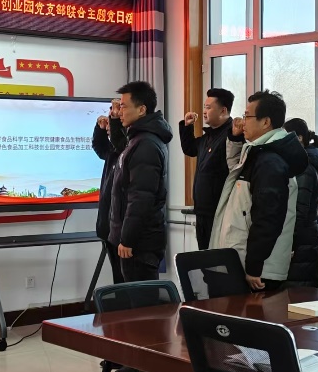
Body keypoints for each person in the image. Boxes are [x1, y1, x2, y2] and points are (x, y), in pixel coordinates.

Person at [210, 91, 309, 291]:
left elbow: (267, 218)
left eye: (247, 116)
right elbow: (233, 170)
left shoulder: (270, 161)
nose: (242, 122)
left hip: (257, 270)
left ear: (265, 122)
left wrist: (254, 266)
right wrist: (235, 139)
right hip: (244, 261)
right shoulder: (259, 152)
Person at [109, 81, 171, 282]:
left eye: (124, 106)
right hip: (137, 241)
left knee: (141, 300)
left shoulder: (146, 145)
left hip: (140, 244)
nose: (120, 112)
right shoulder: (139, 139)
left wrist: (127, 239)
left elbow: (140, 197)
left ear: (142, 109)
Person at [178, 88, 237, 250]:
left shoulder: (232, 137)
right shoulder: (209, 136)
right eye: (204, 107)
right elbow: (190, 149)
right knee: (204, 257)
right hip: (202, 212)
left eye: (209, 107)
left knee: (216, 258)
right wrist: (187, 126)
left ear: (223, 110)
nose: (204, 111)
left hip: (220, 212)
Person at [282, 118, 318, 286]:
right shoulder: (303, 164)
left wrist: (287, 243)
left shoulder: (304, 168)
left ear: (299, 138)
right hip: (305, 241)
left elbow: (299, 211)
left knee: (298, 292)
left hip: (300, 244)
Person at [92, 98, 127, 284]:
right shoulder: (114, 151)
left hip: (124, 230)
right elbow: (100, 148)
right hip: (109, 226)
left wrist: (114, 123)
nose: (111, 116)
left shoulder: (131, 146)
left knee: (128, 282)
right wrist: (100, 130)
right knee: (118, 280)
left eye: (117, 111)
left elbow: (121, 143)